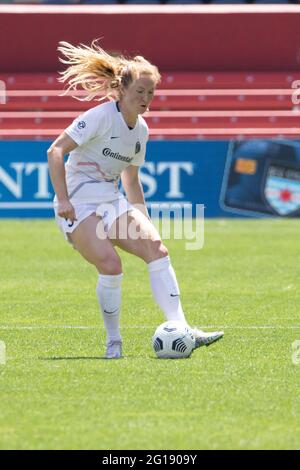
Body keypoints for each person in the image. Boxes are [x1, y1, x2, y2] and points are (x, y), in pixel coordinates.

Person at [47, 40, 224, 359]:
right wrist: (62, 200)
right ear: (121, 91)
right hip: (79, 201)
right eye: (139, 92)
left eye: (150, 93)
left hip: (110, 199)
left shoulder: (140, 130)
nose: (145, 99)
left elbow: (130, 177)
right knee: (111, 265)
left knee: (157, 249)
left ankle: (182, 328)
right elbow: (55, 151)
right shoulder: (100, 117)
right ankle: (113, 343)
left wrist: (141, 215)